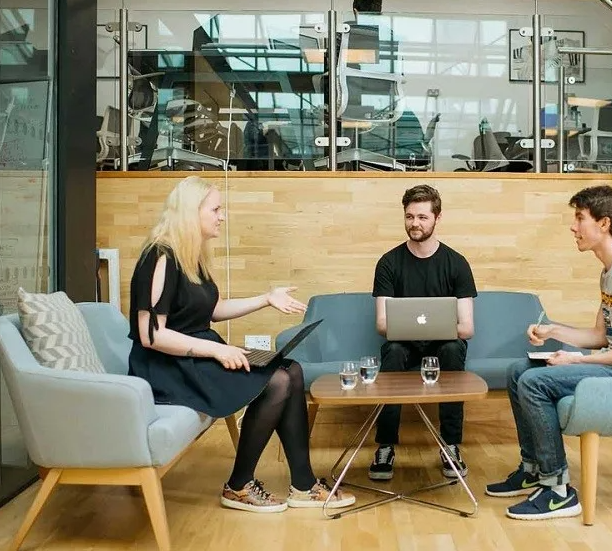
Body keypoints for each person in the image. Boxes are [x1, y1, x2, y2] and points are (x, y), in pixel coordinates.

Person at [127, 176, 355, 513]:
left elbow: (212, 311)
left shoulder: (192, 257)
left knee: (291, 370)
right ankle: (238, 486)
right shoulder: (160, 256)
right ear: (192, 212)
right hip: (166, 366)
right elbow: (152, 335)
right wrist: (219, 350)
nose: (222, 216)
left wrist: (266, 299)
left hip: (193, 352)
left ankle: (303, 485)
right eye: (216, 209)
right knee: (276, 381)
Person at [486, 185, 612, 520]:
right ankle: (533, 468)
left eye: (579, 218)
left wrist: (577, 360)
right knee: (517, 370)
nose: (573, 227)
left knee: (534, 382)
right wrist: (552, 330)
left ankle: (558, 490)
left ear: (604, 224)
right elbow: (601, 336)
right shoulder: (610, 271)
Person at [369, 184, 477, 480]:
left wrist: (439, 330)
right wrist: (410, 331)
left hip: (445, 344)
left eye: (422, 217)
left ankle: (450, 445)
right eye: (409, 217)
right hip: (403, 343)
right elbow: (382, 324)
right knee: (392, 352)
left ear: (437, 218)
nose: (414, 223)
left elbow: (467, 328)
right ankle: (385, 446)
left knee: (454, 348)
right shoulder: (389, 263)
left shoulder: (456, 264)